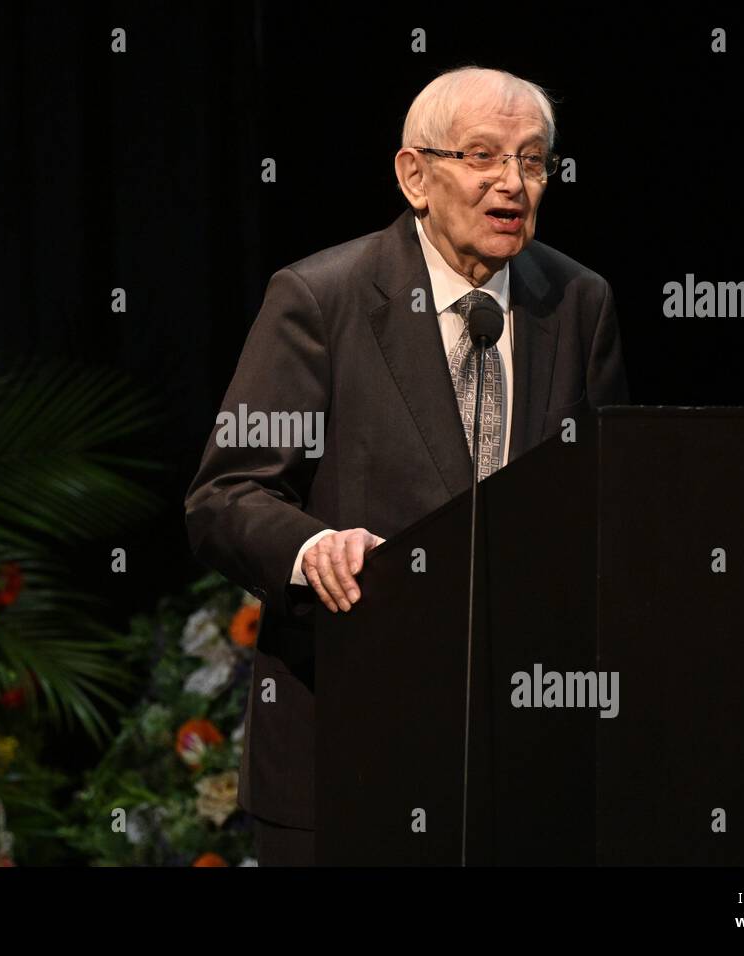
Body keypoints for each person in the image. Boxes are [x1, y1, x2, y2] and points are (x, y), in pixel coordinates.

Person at [184, 65, 629, 865]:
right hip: (350, 734)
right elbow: (225, 495)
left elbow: (605, 501)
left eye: (532, 161)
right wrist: (310, 548)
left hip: (519, 750)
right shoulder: (322, 298)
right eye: (483, 156)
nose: (512, 183)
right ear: (415, 174)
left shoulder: (577, 301)